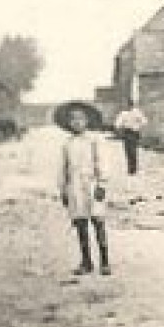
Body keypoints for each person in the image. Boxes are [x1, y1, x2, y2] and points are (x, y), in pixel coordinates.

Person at [55, 102, 110, 276]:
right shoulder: (67, 144)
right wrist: (63, 190)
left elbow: (102, 162)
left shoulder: (95, 140)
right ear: (68, 123)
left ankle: (105, 261)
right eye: (73, 119)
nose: (77, 122)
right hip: (75, 187)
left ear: (87, 120)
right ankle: (86, 261)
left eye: (80, 118)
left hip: (92, 184)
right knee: (80, 223)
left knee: (98, 221)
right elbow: (62, 168)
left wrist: (102, 184)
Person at [113, 101, 147, 175]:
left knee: (132, 150)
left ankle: (133, 168)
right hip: (128, 132)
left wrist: (137, 126)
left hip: (133, 133)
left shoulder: (137, 113)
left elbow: (144, 121)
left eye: (130, 105)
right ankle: (131, 168)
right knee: (128, 150)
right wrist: (122, 127)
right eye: (129, 105)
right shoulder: (124, 113)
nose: (129, 107)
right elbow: (117, 124)